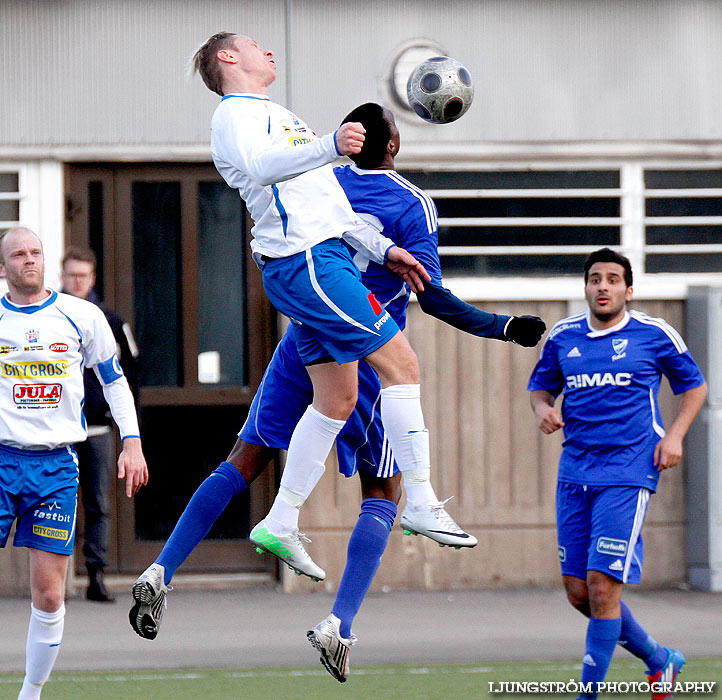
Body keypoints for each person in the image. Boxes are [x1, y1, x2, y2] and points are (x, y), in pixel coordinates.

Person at [130, 103, 546, 683]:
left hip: (305, 322)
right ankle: (340, 623)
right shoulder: (410, 201)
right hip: (366, 333)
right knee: (385, 485)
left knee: (246, 457)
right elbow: (433, 296)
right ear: (395, 144)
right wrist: (500, 325)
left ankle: (161, 569)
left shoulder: (317, 173)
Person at [527, 248, 707, 700]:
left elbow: (695, 386)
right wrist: (543, 410)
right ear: (586, 287)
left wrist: (675, 437)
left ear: (628, 290)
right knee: (578, 593)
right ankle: (660, 659)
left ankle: (588, 695)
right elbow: (539, 387)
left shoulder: (653, 334)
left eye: (611, 279)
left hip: (628, 471)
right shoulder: (565, 336)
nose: (602, 286)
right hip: (574, 472)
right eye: (594, 279)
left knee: (602, 587)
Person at [0, 227, 148, 700]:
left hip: (55, 467)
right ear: (2, 268)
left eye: (36, 252)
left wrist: (133, 441)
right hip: (2, 458)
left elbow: (115, 381)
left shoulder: (81, 315)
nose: (29, 260)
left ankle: (30, 693)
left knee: (48, 593)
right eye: (18, 254)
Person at [61, 246, 140, 602]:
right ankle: (56, 578)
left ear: (92, 278)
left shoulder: (110, 321)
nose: (77, 281)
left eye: (83, 275)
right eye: (71, 274)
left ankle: (96, 575)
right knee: (57, 503)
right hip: (57, 433)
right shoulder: (50, 318)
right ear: (63, 276)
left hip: (97, 430)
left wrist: (129, 433)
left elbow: (130, 377)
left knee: (97, 504)